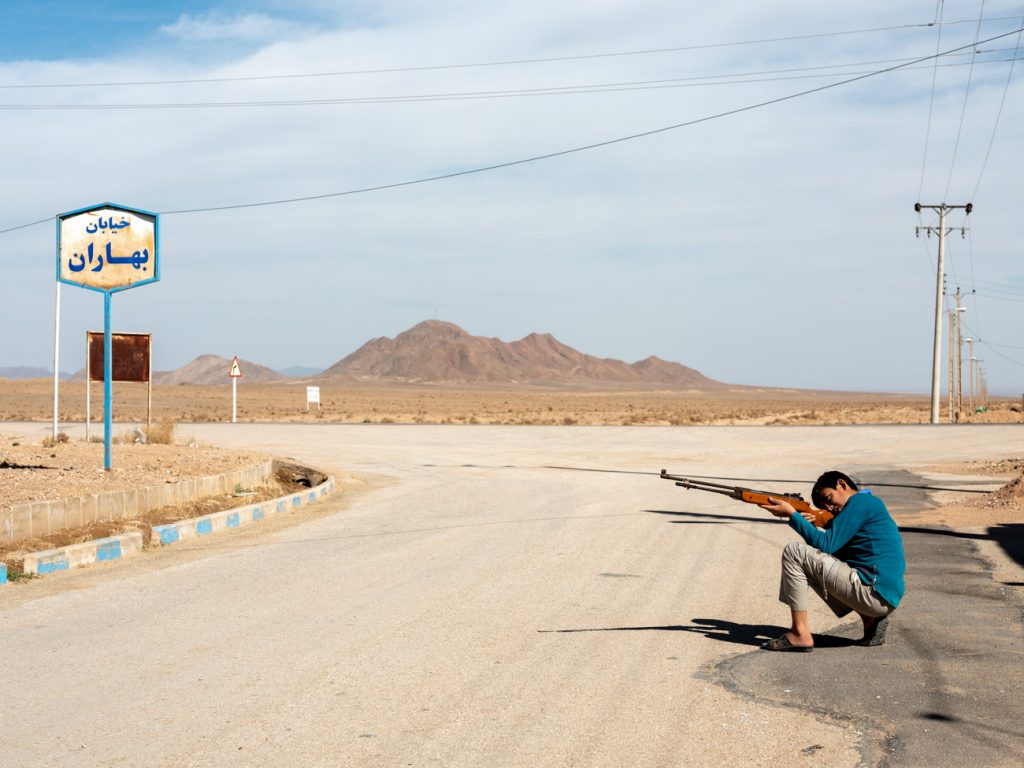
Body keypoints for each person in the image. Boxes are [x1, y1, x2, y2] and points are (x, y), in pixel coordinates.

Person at [757, 470, 905, 652]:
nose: (828, 507)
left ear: (841, 485)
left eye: (828, 498)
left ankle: (800, 634)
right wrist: (815, 524)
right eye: (823, 506)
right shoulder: (869, 503)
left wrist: (793, 515)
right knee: (812, 561)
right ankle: (871, 620)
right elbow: (834, 552)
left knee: (794, 552)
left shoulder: (860, 502)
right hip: (883, 597)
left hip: (872, 593)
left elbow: (826, 545)